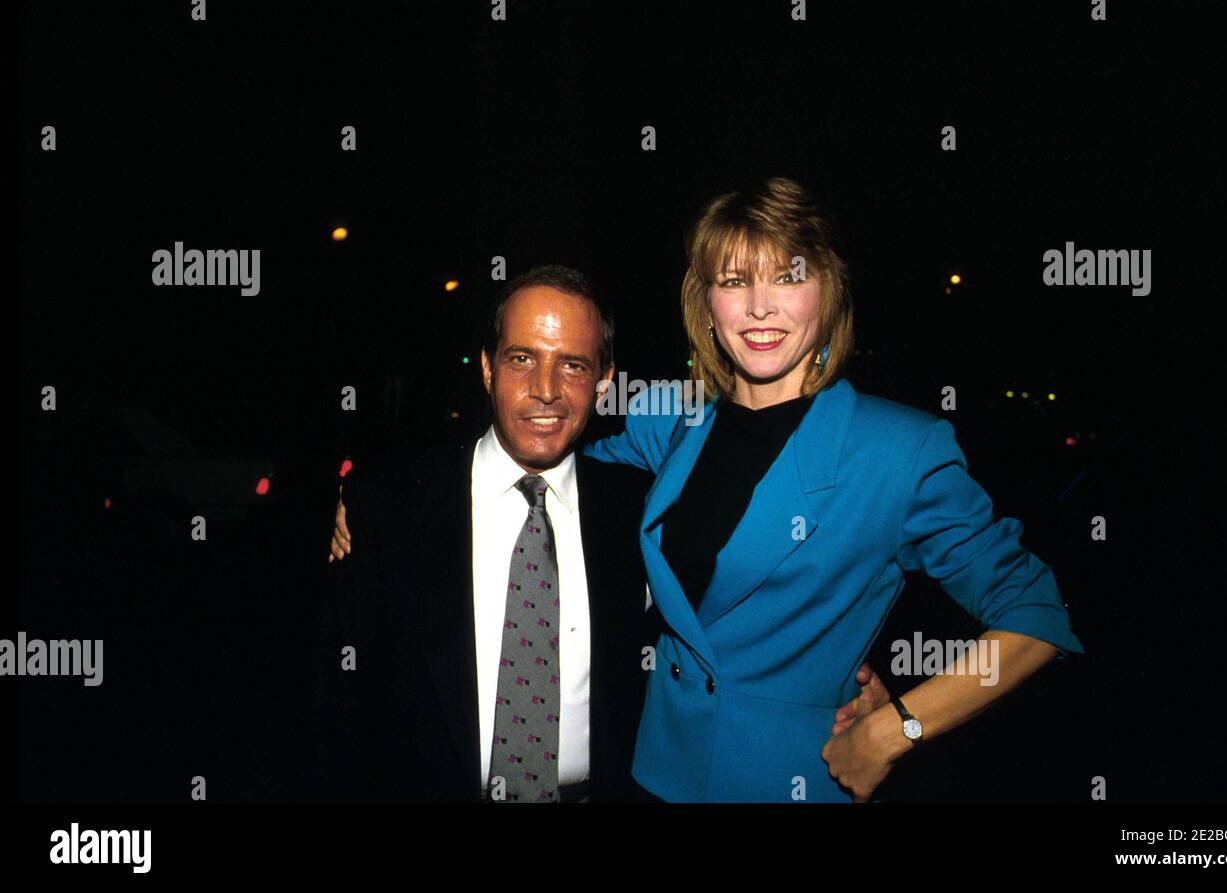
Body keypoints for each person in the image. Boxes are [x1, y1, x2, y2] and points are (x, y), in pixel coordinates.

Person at [333, 178, 1079, 802]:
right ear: (707, 303)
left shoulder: (900, 449)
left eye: (787, 275)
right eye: (733, 280)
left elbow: (1036, 617)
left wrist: (897, 726)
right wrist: (381, 496)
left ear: (828, 288)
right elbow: (545, 446)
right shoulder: (677, 422)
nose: (759, 305)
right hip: (650, 774)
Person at [316, 265, 660, 802]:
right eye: (521, 359)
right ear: (486, 368)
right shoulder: (388, 508)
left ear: (604, 381)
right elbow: (340, 703)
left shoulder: (641, 512)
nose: (545, 390)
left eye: (572, 365)